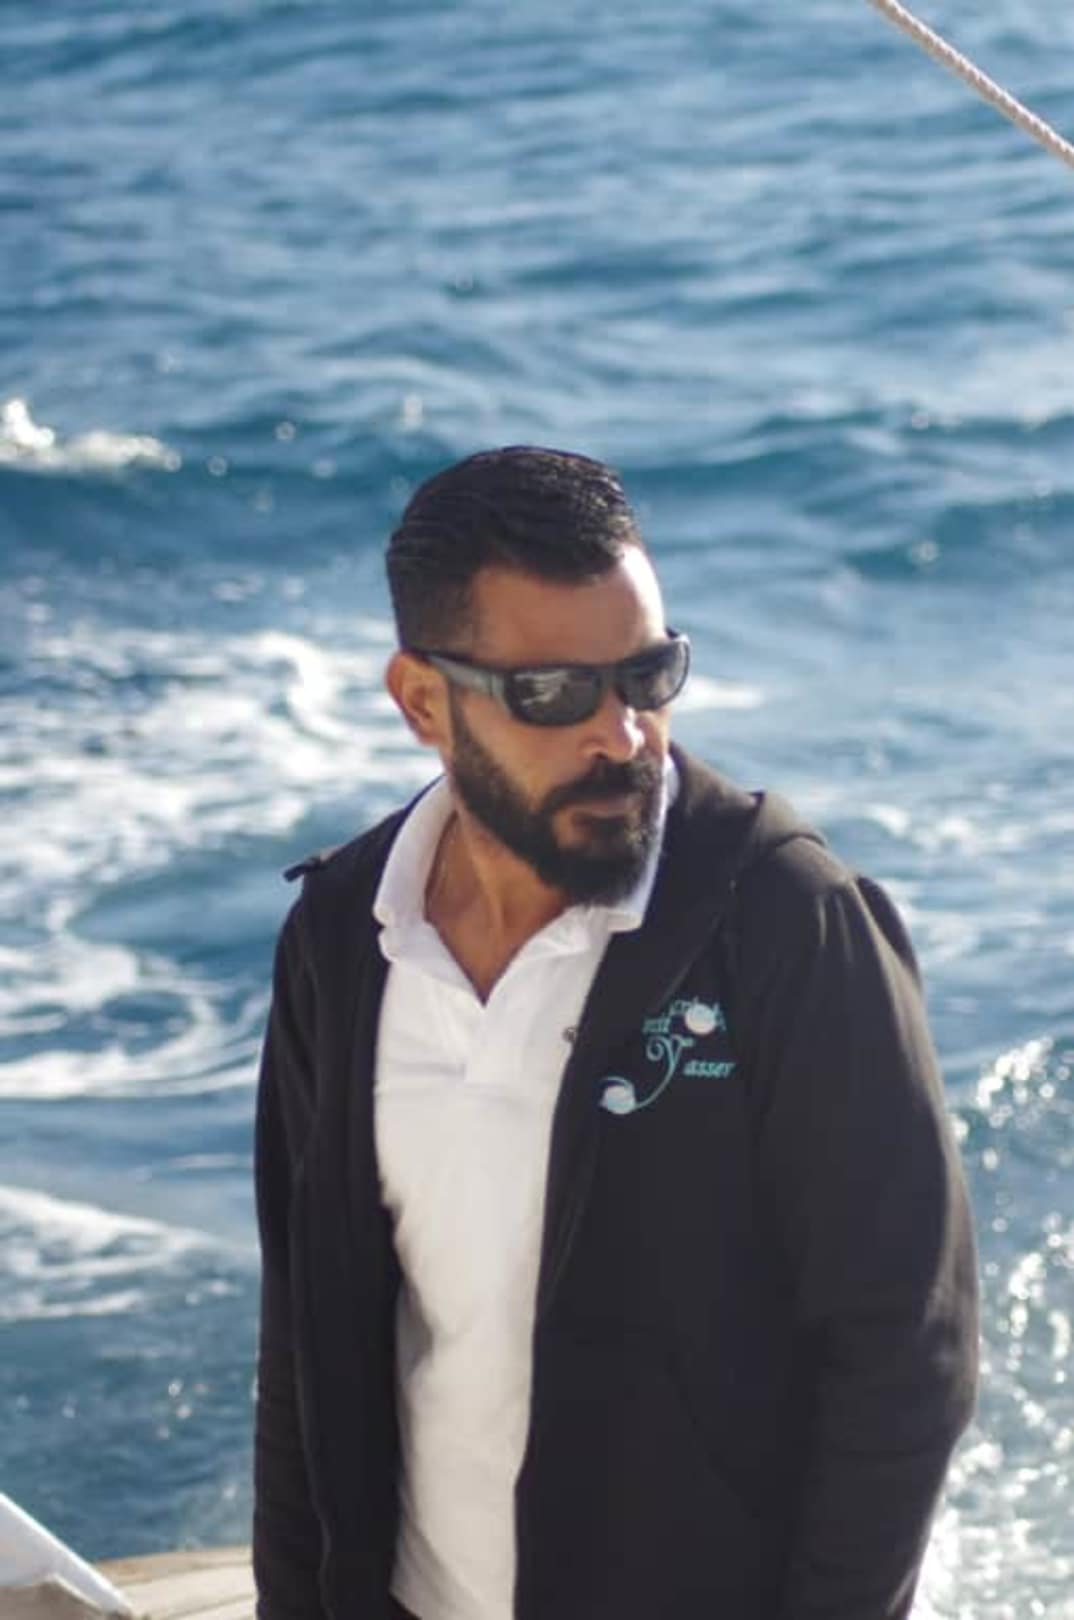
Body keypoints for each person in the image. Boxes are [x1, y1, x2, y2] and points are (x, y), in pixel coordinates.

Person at [253, 446, 979, 1620]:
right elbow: (305, 1347)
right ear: (424, 701)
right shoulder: (344, 936)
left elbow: (906, 1354)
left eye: (647, 675)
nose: (623, 735)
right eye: (554, 693)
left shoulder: (790, 924)